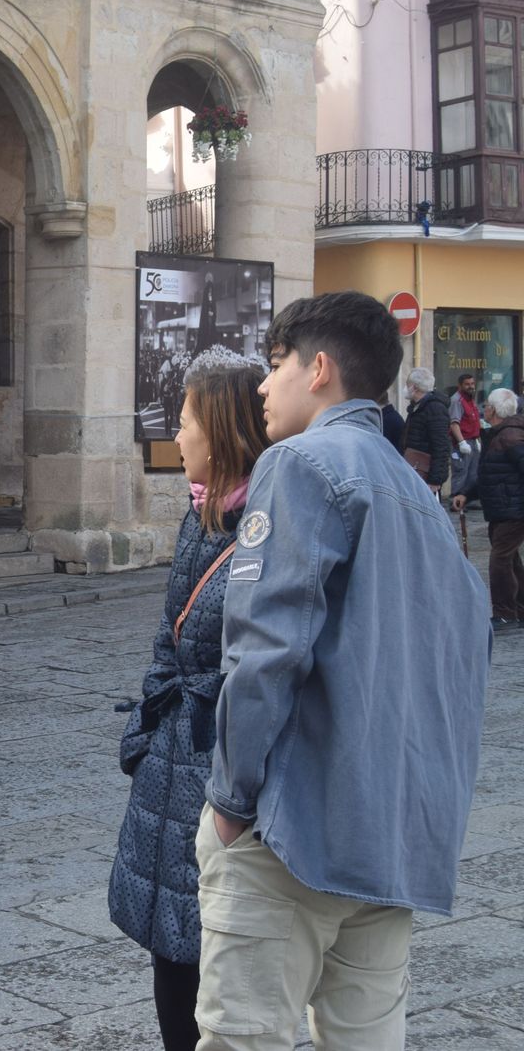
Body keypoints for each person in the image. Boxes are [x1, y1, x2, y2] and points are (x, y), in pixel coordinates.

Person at [199, 292, 489, 1049]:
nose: (262, 387)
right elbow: (463, 674)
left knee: (243, 1036)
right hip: (391, 841)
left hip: (293, 832)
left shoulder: (299, 463)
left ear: (318, 368)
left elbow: (265, 648)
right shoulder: (423, 503)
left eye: (273, 366)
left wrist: (230, 800)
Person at [109, 352, 270, 1051]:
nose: (176, 435)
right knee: (171, 958)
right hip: (170, 762)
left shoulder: (265, 528)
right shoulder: (199, 514)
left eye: (186, 420)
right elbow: (168, 641)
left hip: (215, 770)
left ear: (223, 428)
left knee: (212, 968)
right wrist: (146, 737)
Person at [454, 387, 524, 636]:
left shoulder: (510, 436)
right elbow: (487, 473)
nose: (485, 409)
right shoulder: (500, 435)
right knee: (510, 559)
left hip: (512, 508)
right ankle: (517, 609)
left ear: (493, 410)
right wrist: (466, 493)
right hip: (503, 507)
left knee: (500, 560)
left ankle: (505, 613)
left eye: (488, 407)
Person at [402, 367, 450, 494]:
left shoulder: (435, 408)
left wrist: (435, 480)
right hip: (414, 468)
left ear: (415, 387)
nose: (405, 389)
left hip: (425, 473)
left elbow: (441, 446)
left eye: (407, 385)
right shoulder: (417, 407)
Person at [448, 372, 483, 501]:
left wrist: (477, 440)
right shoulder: (457, 400)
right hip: (461, 442)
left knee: (473, 473)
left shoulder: (470, 399)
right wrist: (461, 442)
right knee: (461, 472)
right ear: (460, 385)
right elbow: (454, 424)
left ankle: (468, 499)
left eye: (472, 384)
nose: (471, 386)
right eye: (467, 384)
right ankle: (455, 499)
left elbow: (474, 421)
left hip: (473, 440)